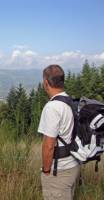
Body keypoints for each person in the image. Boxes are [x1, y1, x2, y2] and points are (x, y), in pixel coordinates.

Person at [38, 64, 80, 200]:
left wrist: (46, 171)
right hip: (73, 165)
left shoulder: (52, 107)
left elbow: (49, 145)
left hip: (59, 171)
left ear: (46, 83)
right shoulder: (70, 101)